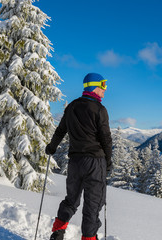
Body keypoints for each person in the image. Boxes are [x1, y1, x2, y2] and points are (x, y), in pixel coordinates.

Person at [45, 73, 113, 240]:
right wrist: (108, 161)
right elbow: (106, 138)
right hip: (95, 163)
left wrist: (52, 147)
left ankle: (57, 233)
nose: (105, 90)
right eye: (103, 85)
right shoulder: (99, 109)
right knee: (93, 205)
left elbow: (61, 130)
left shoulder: (72, 106)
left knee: (71, 200)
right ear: (95, 86)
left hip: (75, 162)